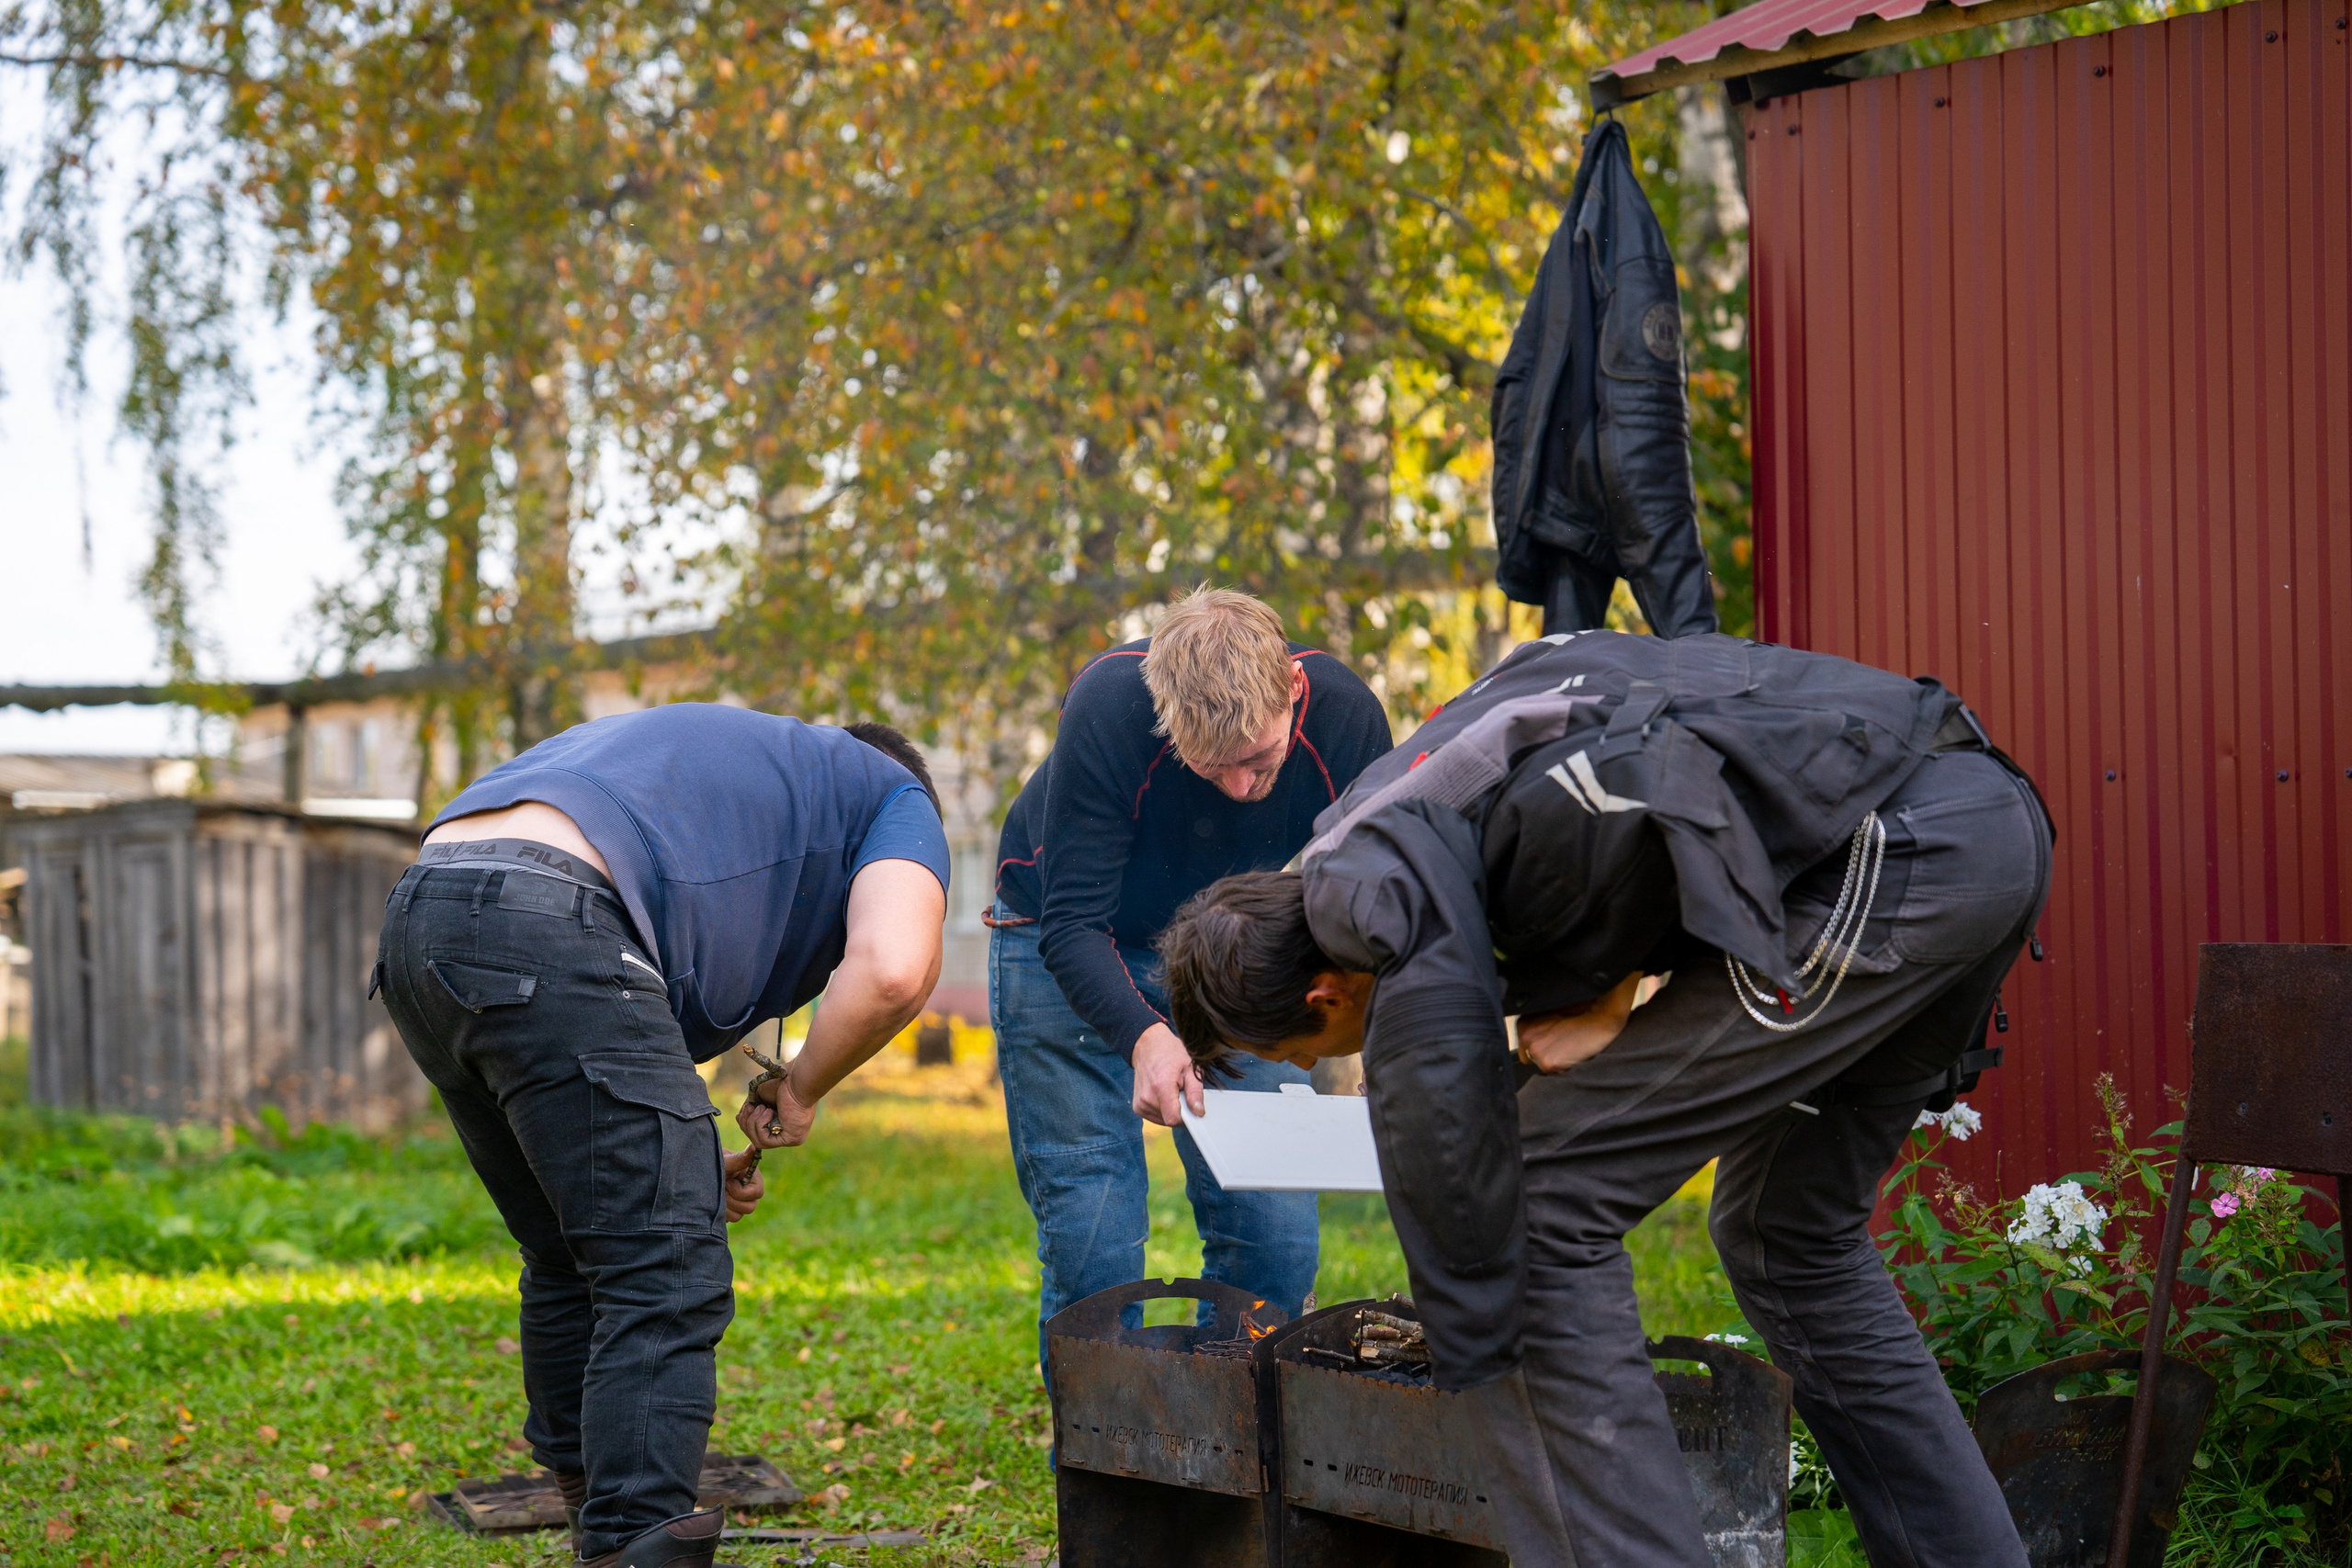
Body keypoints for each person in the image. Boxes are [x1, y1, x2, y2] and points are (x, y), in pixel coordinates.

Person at [1156, 629, 2052, 1568]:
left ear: (1323, 994)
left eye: (1293, 1056)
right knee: (1784, 1235)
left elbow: (1640, 767)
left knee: (1535, 1198)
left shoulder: (1368, 875)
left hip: (1894, 851)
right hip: (1956, 819)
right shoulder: (1382, 837)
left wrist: (1609, 991)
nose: (1308, 1072)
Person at [375, 707, 949, 1568]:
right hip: (553, 913)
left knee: (572, 1250)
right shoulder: (890, 795)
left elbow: (610, 1068)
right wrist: (801, 1085)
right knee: (666, 1268)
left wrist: (676, 1159)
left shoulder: (741, 783)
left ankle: (593, 1530)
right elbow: (895, 968)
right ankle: (630, 1545)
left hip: (426, 910)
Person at [989, 587, 1392, 1372]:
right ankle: (1110, 1461)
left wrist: (1391, 1035)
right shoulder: (1108, 704)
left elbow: (1375, 899)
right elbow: (1074, 926)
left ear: (1292, 692)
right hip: (1057, 936)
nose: (1242, 787)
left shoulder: (1345, 719)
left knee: (1275, 1233)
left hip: (1226, 950)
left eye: (1259, 759)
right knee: (1094, 1234)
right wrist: (1146, 1035)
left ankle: (1232, 1442)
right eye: (1213, 765)